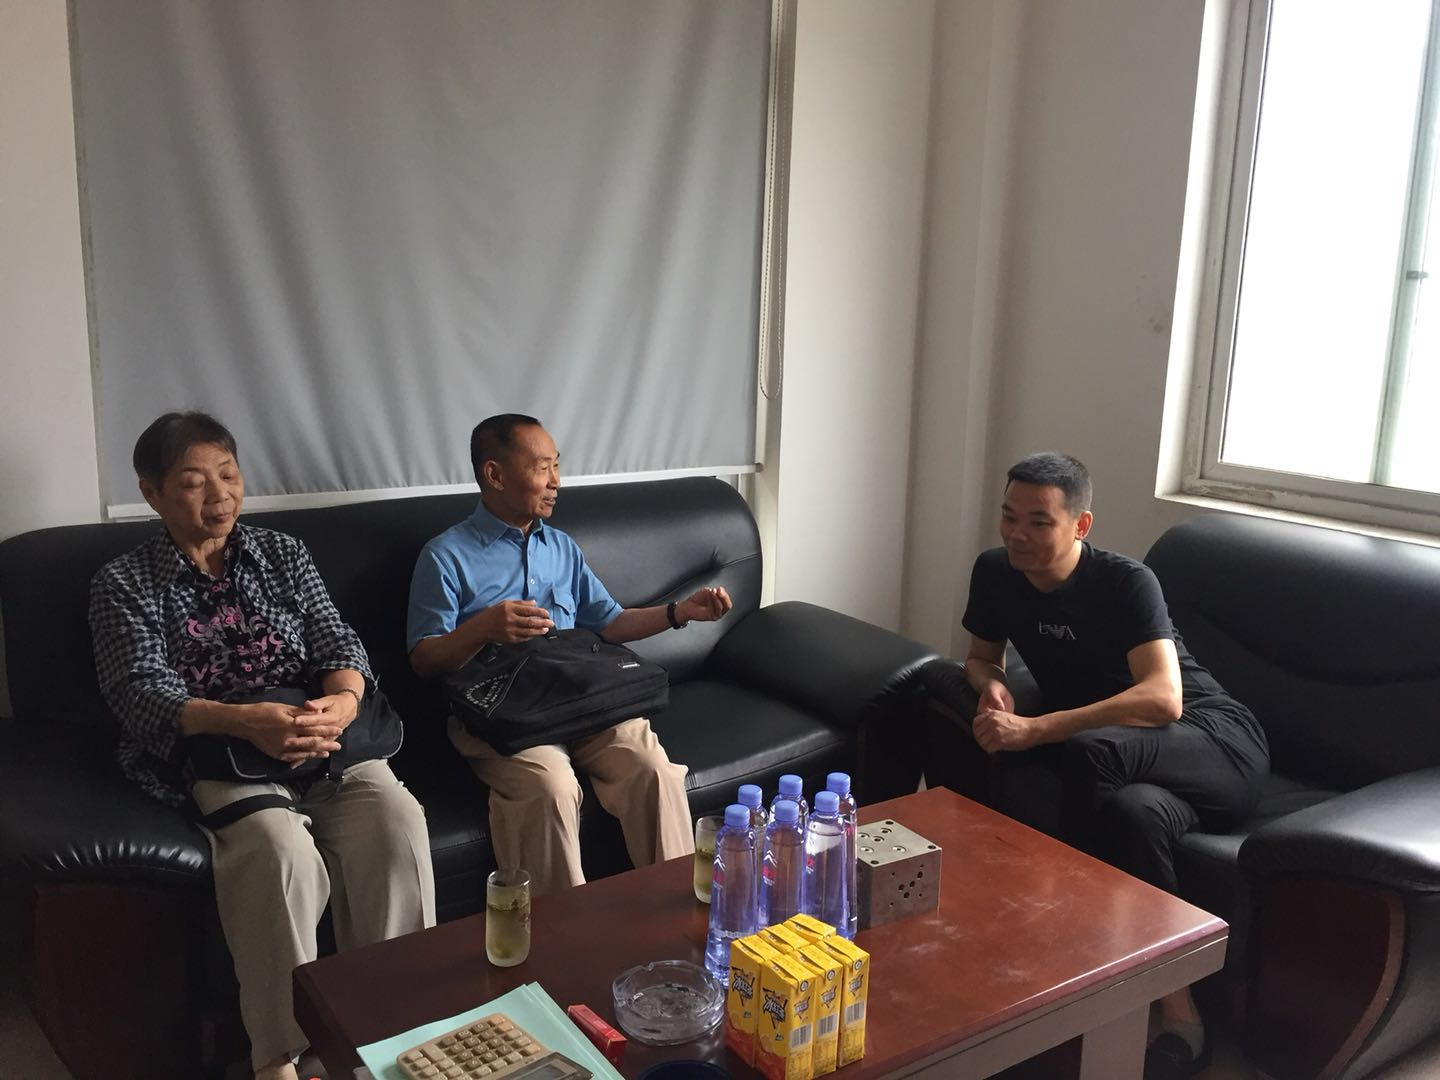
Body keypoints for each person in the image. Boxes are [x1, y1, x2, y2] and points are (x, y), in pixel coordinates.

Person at [89, 412, 435, 1080]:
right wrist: (246, 722)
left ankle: (384, 1030)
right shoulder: (123, 583)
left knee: (397, 822)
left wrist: (344, 701)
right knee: (280, 854)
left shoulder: (283, 553)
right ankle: (283, 1056)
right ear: (152, 493)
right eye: (194, 482)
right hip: (221, 748)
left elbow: (337, 640)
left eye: (228, 474)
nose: (219, 494)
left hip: (320, 737)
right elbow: (139, 693)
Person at [945, 452, 1269, 1080]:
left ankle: (1066, 954)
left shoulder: (1125, 583)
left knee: (1091, 752)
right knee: (1132, 815)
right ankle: (1181, 1013)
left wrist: (1035, 729)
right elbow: (981, 657)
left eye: (1039, 522)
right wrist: (993, 686)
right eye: (1009, 516)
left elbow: (1164, 700)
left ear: (1081, 525)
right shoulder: (996, 571)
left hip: (1214, 743)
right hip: (1139, 775)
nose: (1017, 534)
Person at [407, 413, 732, 897]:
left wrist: (679, 611)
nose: (556, 481)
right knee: (552, 788)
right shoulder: (445, 556)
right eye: (543, 468)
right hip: (505, 713)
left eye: (556, 465)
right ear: (495, 474)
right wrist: (484, 628)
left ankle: (678, 912)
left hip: (580, 697)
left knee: (652, 770)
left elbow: (611, 622)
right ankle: (564, 933)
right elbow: (423, 659)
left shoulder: (560, 546)